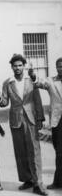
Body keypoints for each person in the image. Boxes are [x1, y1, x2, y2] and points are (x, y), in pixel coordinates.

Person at [0, 54, 47, 196]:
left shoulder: (31, 80)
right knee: (21, 151)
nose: (17, 68)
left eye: (20, 65)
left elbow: (37, 98)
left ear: (23, 66)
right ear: (11, 67)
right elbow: (5, 103)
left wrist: (40, 118)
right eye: (15, 65)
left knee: (34, 150)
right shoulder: (8, 83)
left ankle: (38, 183)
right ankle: (27, 179)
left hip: (31, 118)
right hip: (16, 120)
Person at [28, 57, 62, 189]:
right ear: (56, 67)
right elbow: (38, 83)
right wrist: (33, 75)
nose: (61, 68)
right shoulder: (51, 81)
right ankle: (58, 182)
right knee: (59, 152)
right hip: (57, 121)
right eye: (59, 66)